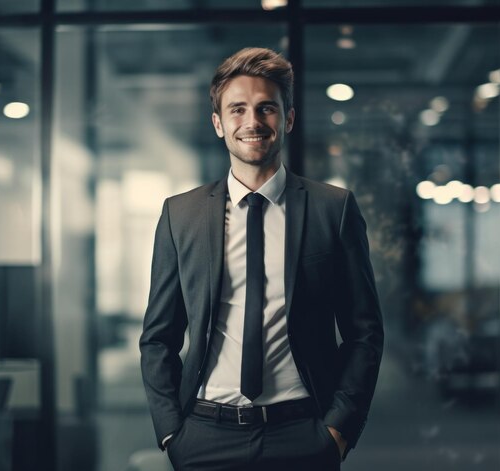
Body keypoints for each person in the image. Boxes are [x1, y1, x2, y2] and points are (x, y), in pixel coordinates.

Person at [139, 47, 384, 471]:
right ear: (218, 123)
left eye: (266, 108)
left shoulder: (333, 209)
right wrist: (171, 432)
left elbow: (364, 332)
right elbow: (158, 337)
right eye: (237, 110)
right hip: (203, 436)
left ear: (287, 119)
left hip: (303, 435)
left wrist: (338, 431)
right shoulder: (180, 214)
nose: (252, 122)